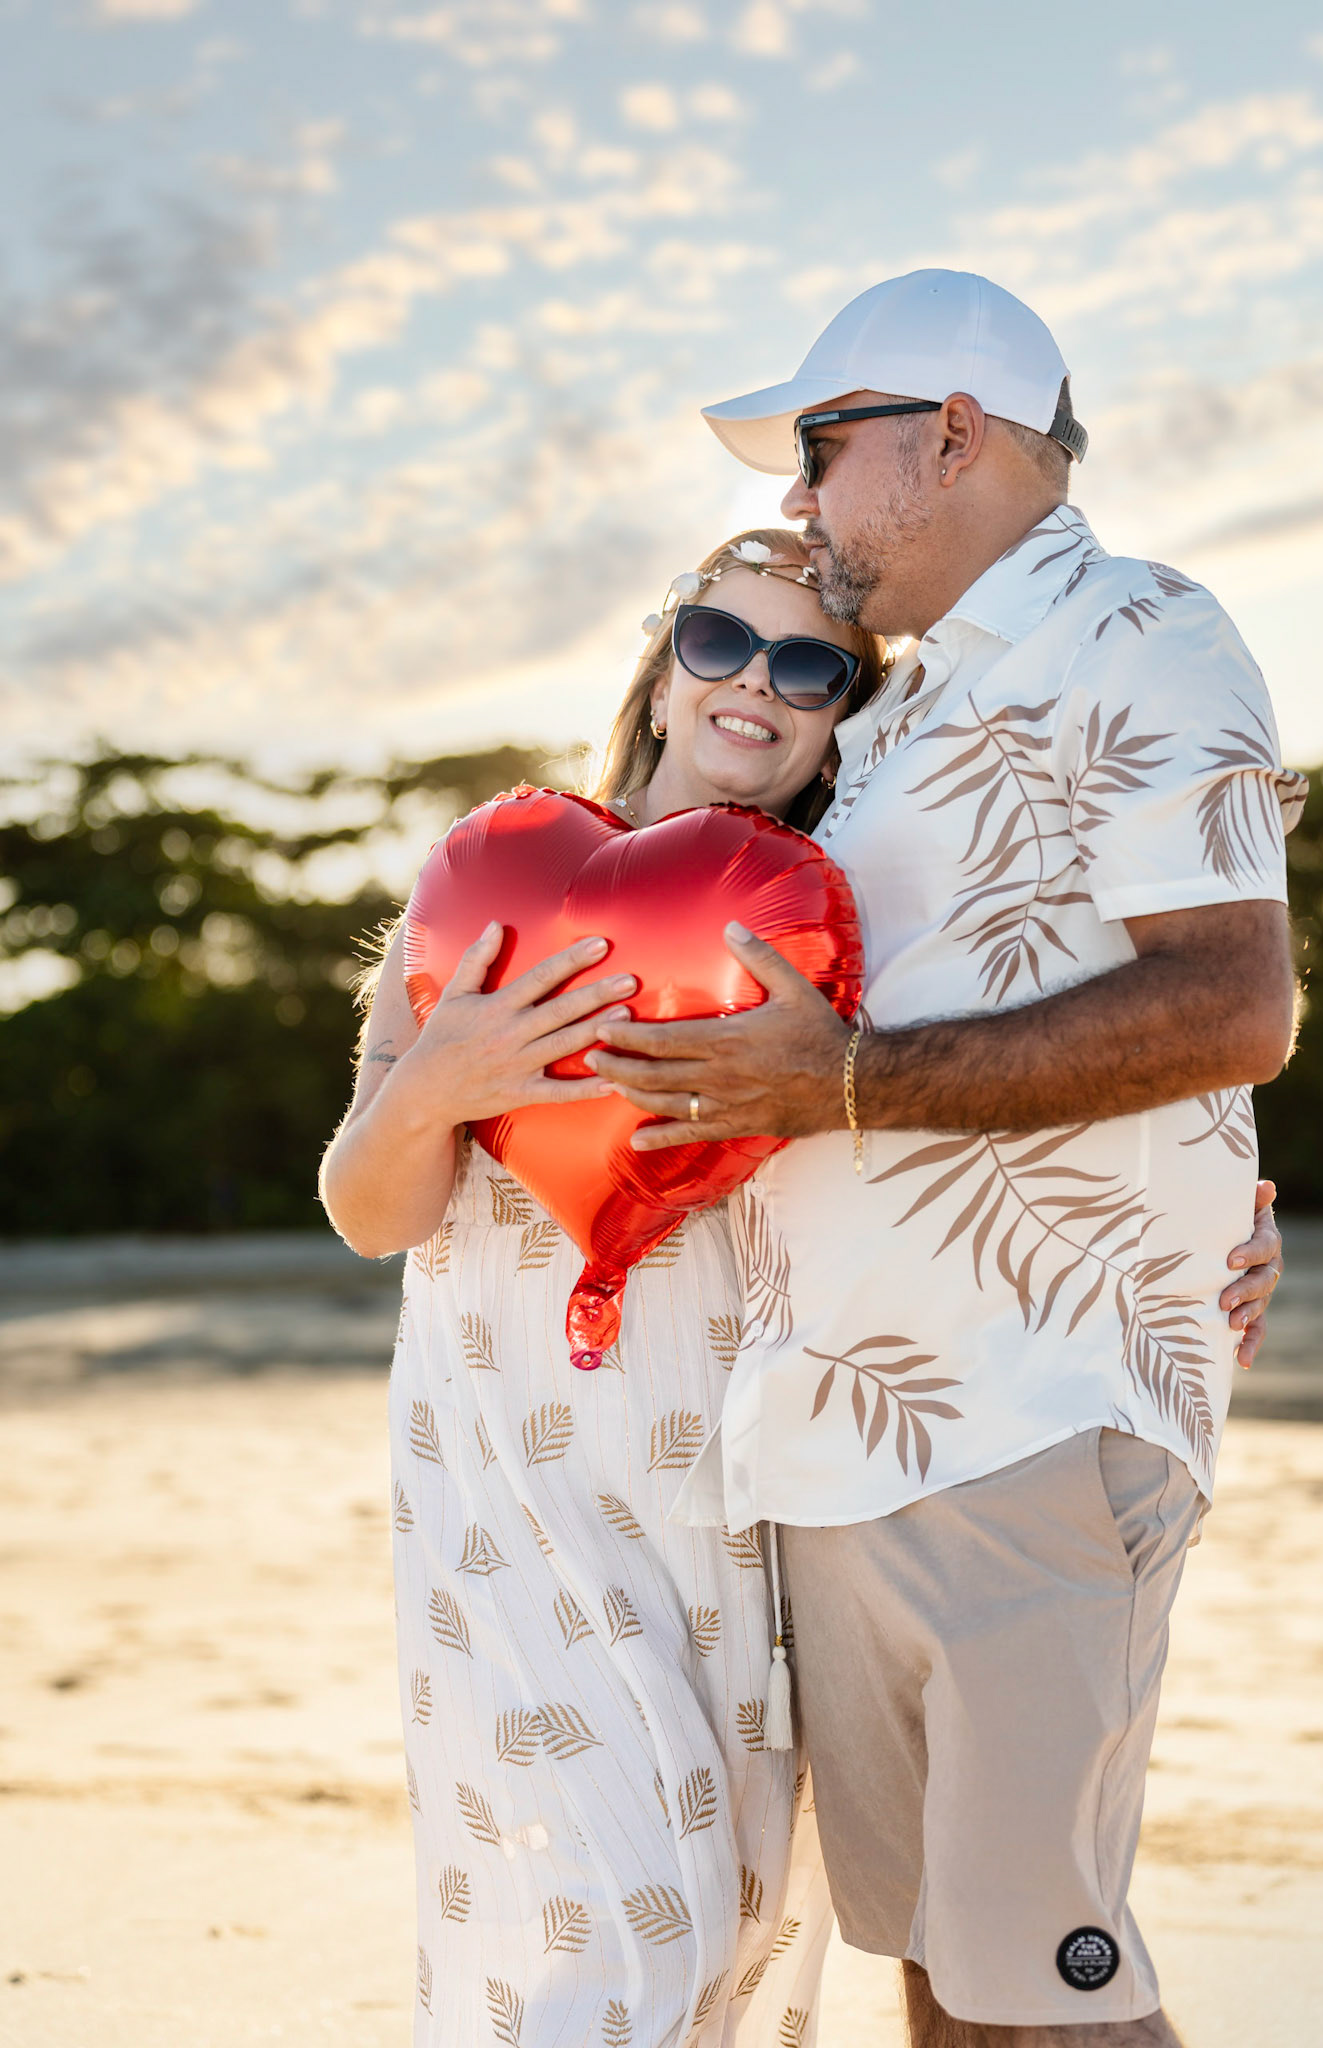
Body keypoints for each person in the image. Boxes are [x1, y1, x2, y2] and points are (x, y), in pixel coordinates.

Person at [587, 270, 1304, 2047]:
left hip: (1032, 1413)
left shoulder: (1138, 632)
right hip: (835, 1436)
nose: (802, 502)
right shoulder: (888, 714)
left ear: (951, 440)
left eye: (825, 451)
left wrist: (841, 1085)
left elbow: (1231, 1002)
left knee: (1039, 1990)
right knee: (937, 1982)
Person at [320, 531, 883, 2047]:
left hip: (736, 1470)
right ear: (662, 656)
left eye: (809, 665)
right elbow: (374, 1214)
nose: (755, 685)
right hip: (508, 1456)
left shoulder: (837, 912)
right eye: (722, 639)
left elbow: (987, 1119)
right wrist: (435, 1080)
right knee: (608, 1902)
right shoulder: (487, 878)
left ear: (843, 712)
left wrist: (1209, 1223)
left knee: (736, 1903)